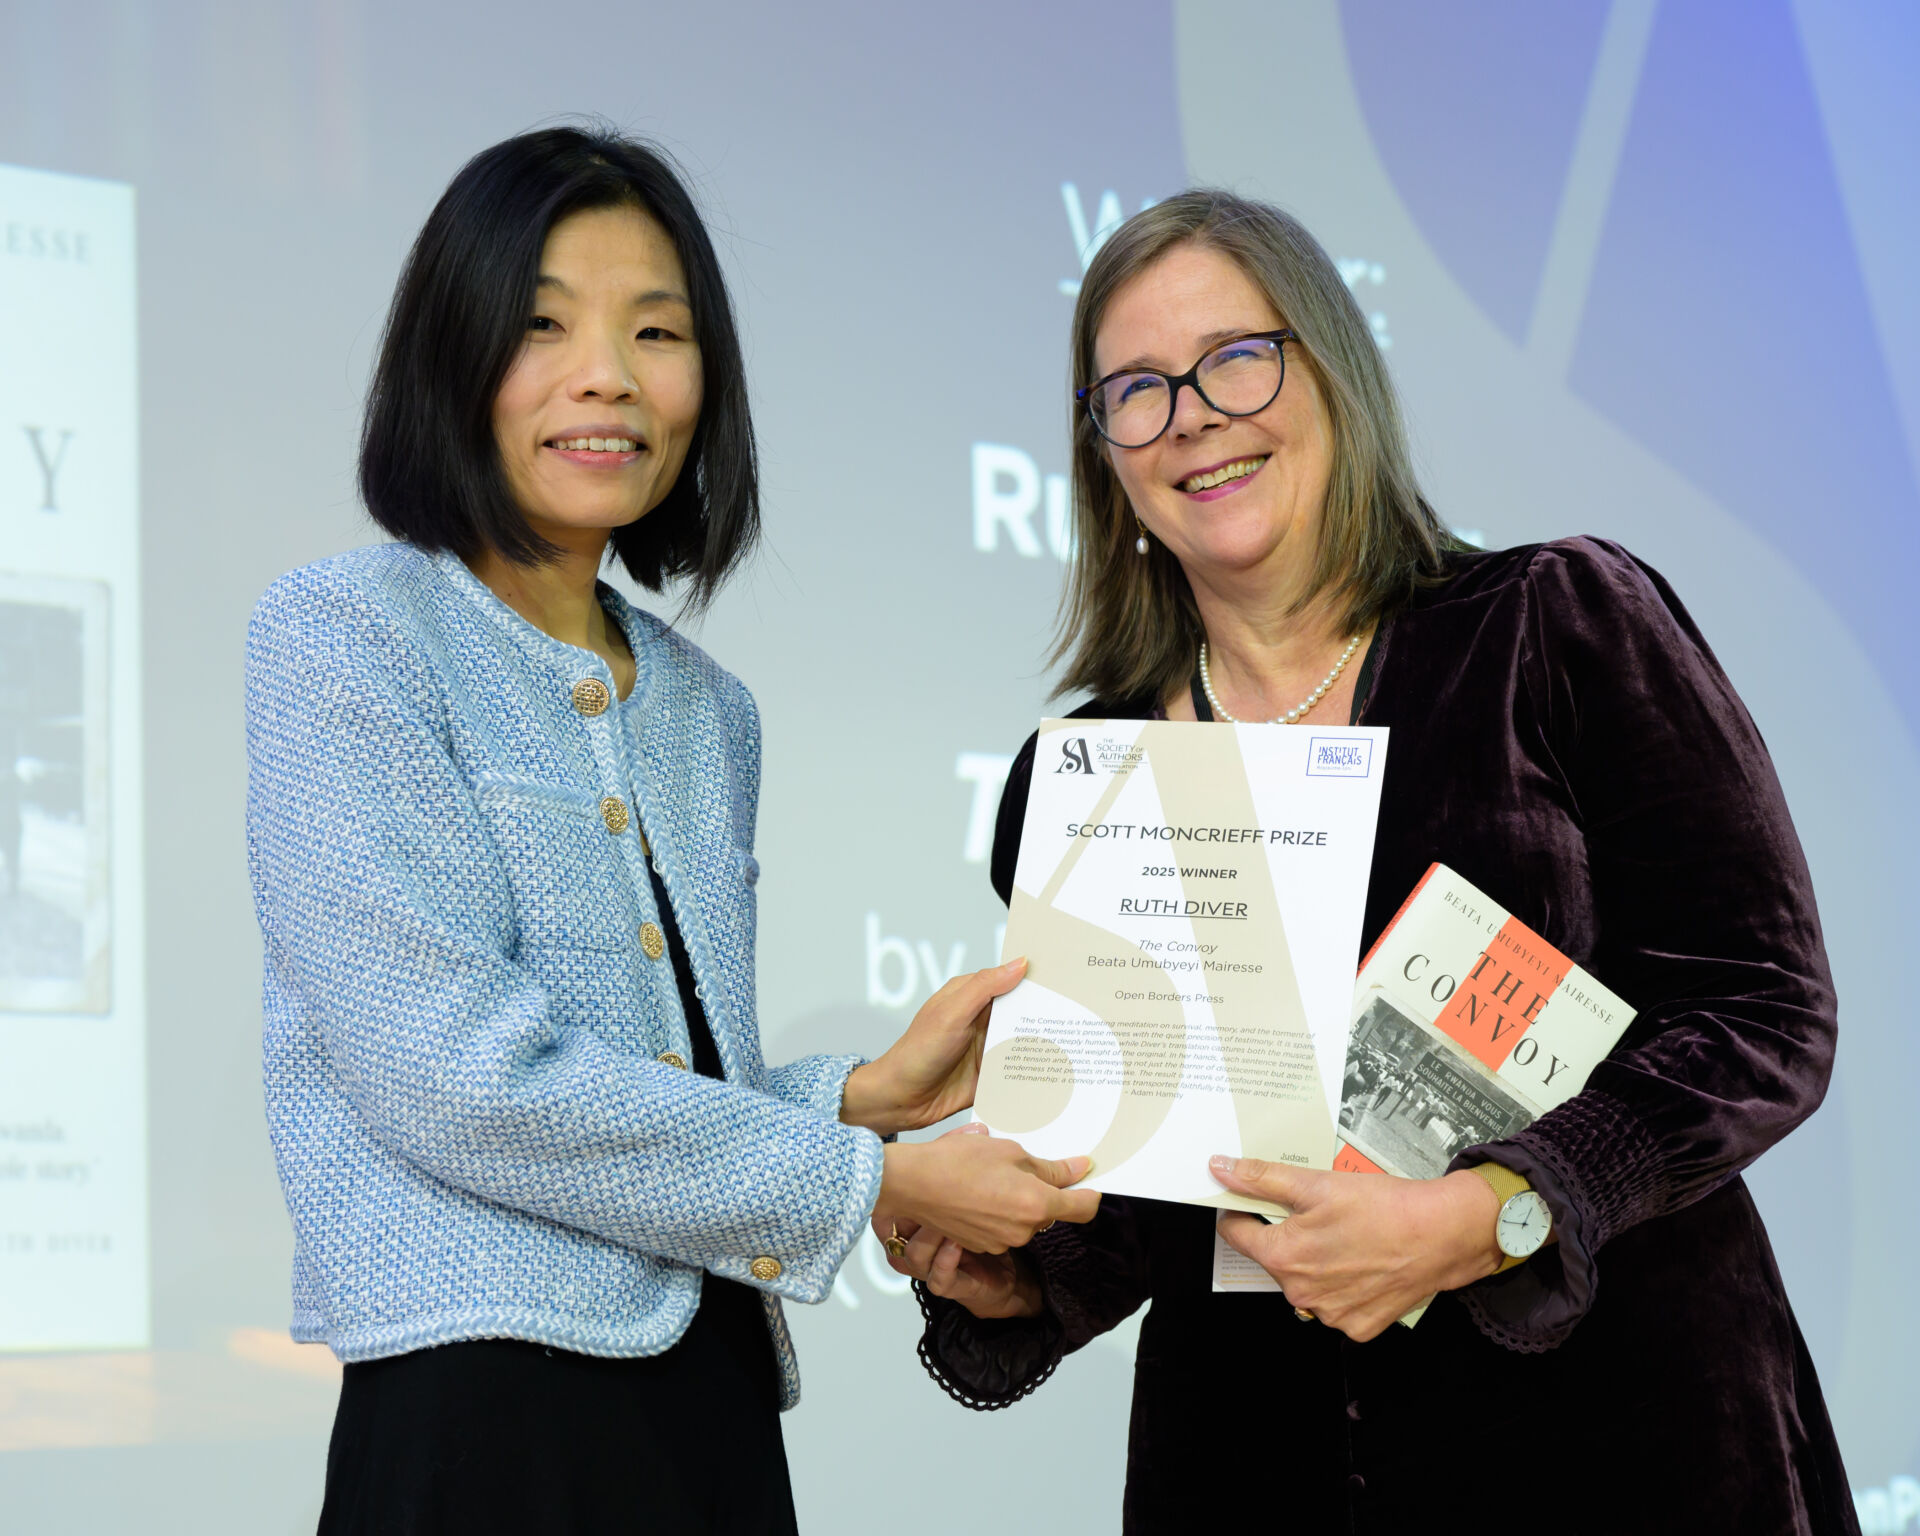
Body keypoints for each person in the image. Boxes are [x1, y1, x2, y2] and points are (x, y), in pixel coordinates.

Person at [887, 190, 1857, 1534]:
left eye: (1237, 358)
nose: (1193, 416)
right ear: (1103, 453)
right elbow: (1157, 1192)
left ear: (1333, 371)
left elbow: (1763, 1013)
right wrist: (1015, 1279)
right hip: (1255, 1463)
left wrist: (1492, 1211)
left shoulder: (1555, 626)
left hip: (1626, 1442)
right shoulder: (1086, 775)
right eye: (1138, 390)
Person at [243, 126, 1097, 1535]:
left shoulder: (709, 709)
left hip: (714, 1398)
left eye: (657, 330)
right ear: (450, 356)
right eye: (543, 326)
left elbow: (666, 1081)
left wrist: (860, 1098)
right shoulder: (346, 638)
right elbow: (459, 1080)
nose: (610, 377)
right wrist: (871, 1176)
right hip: (481, 1415)